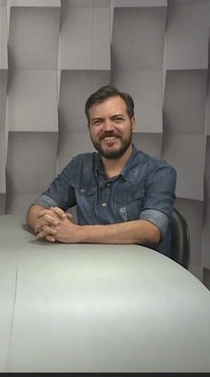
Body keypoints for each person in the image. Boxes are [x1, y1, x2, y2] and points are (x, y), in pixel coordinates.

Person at [25, 85, 176, 256]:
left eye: (117, 119)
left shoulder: (159, 171)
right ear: (89, 128)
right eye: (98, 122)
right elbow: (37, 208)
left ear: (132, 124)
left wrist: (76, 233)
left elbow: (152, 230)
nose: (108, 128)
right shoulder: (79, 166)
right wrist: (45, 223)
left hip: (142, 270)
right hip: (86, 266)